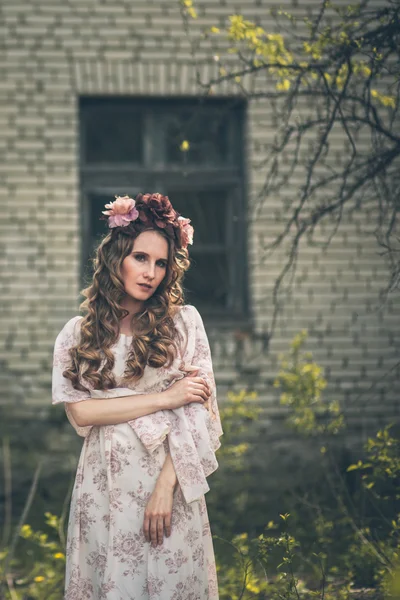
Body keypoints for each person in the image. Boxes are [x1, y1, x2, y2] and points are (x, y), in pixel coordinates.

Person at [51, 193, 223, 600]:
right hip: (103, 485)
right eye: (140, 258)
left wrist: (166, 487)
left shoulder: (184, 324)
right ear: (116, 259)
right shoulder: (79, 333)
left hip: (169, 477)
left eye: (161, 262)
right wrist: (166, 398)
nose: (150, 272)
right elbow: (81, 412)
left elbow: (201, 413)